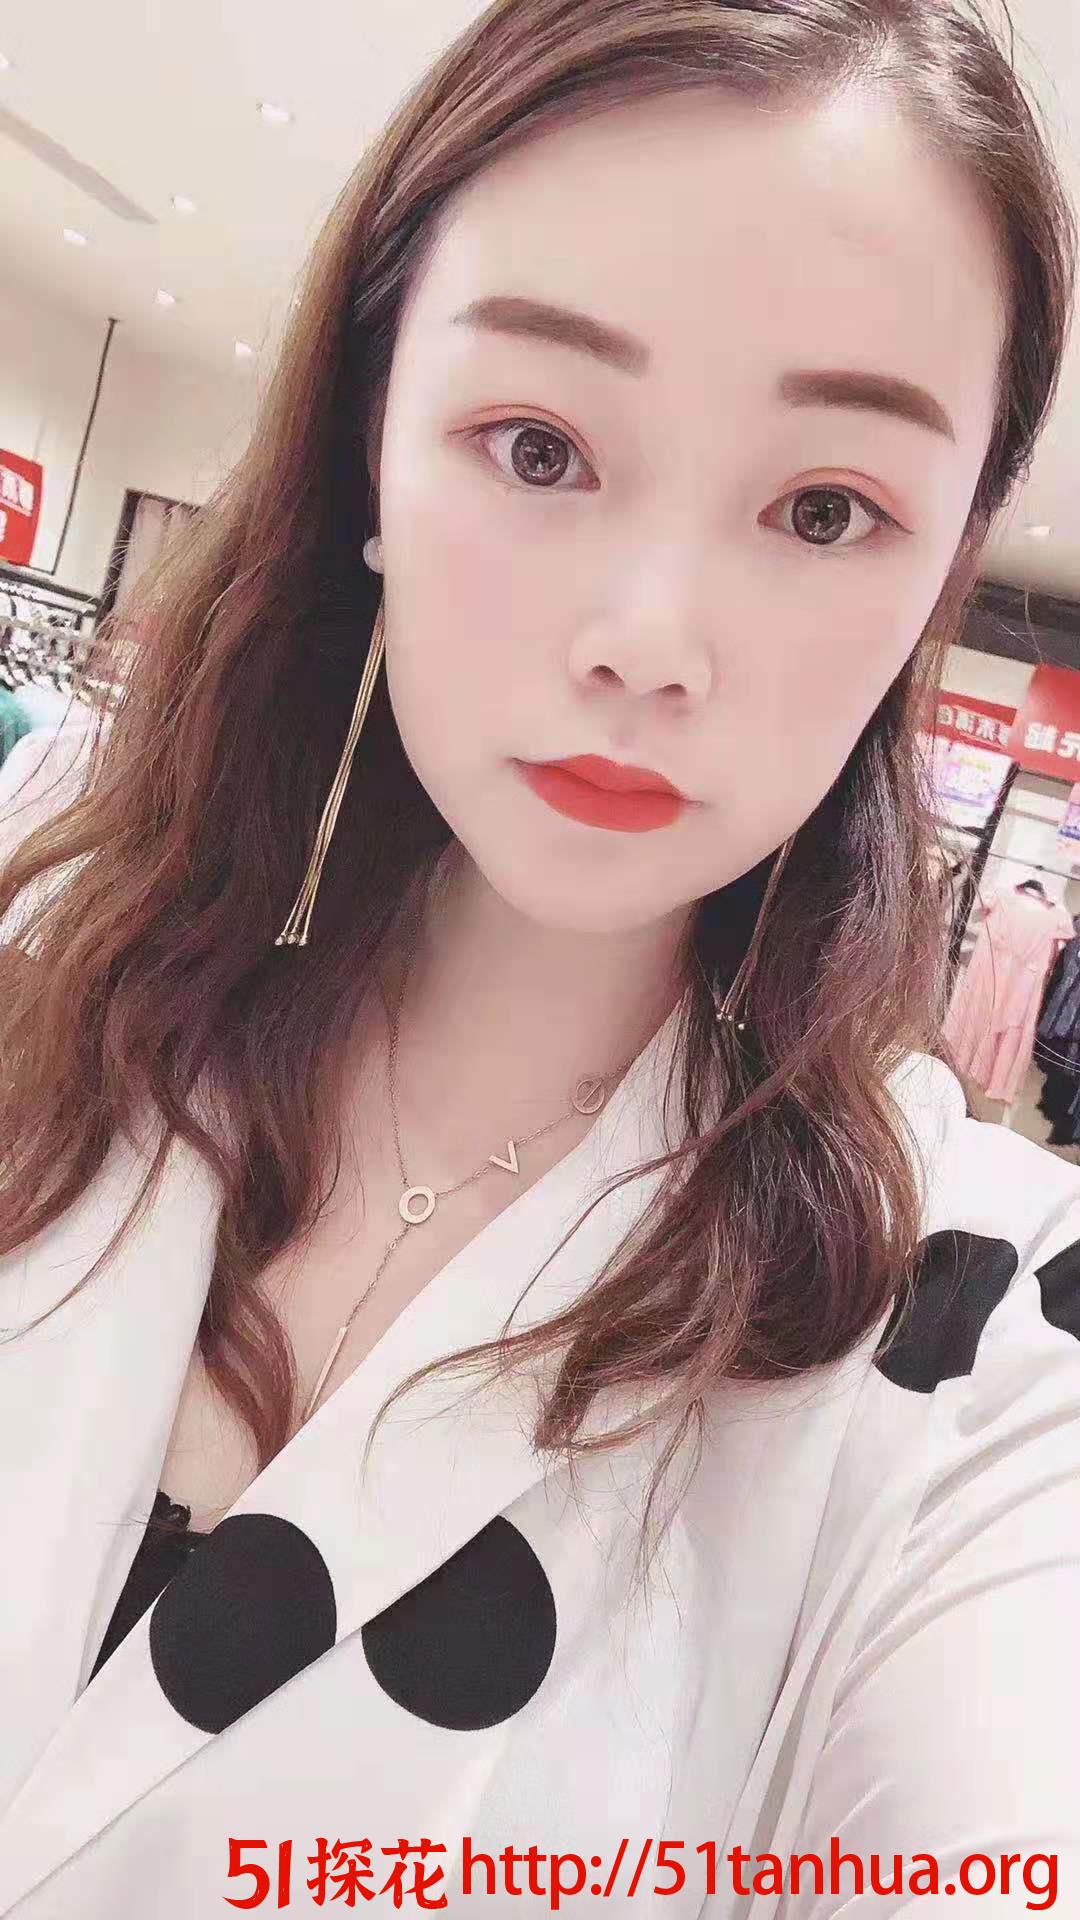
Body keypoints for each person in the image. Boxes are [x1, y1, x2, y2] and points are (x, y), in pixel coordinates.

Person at [1, 0, 1078, 1912]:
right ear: (369, 441)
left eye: (825, 509)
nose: (648, 639)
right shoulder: (44, 970)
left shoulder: (969, 1326)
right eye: (540, 445)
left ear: (940, 565)